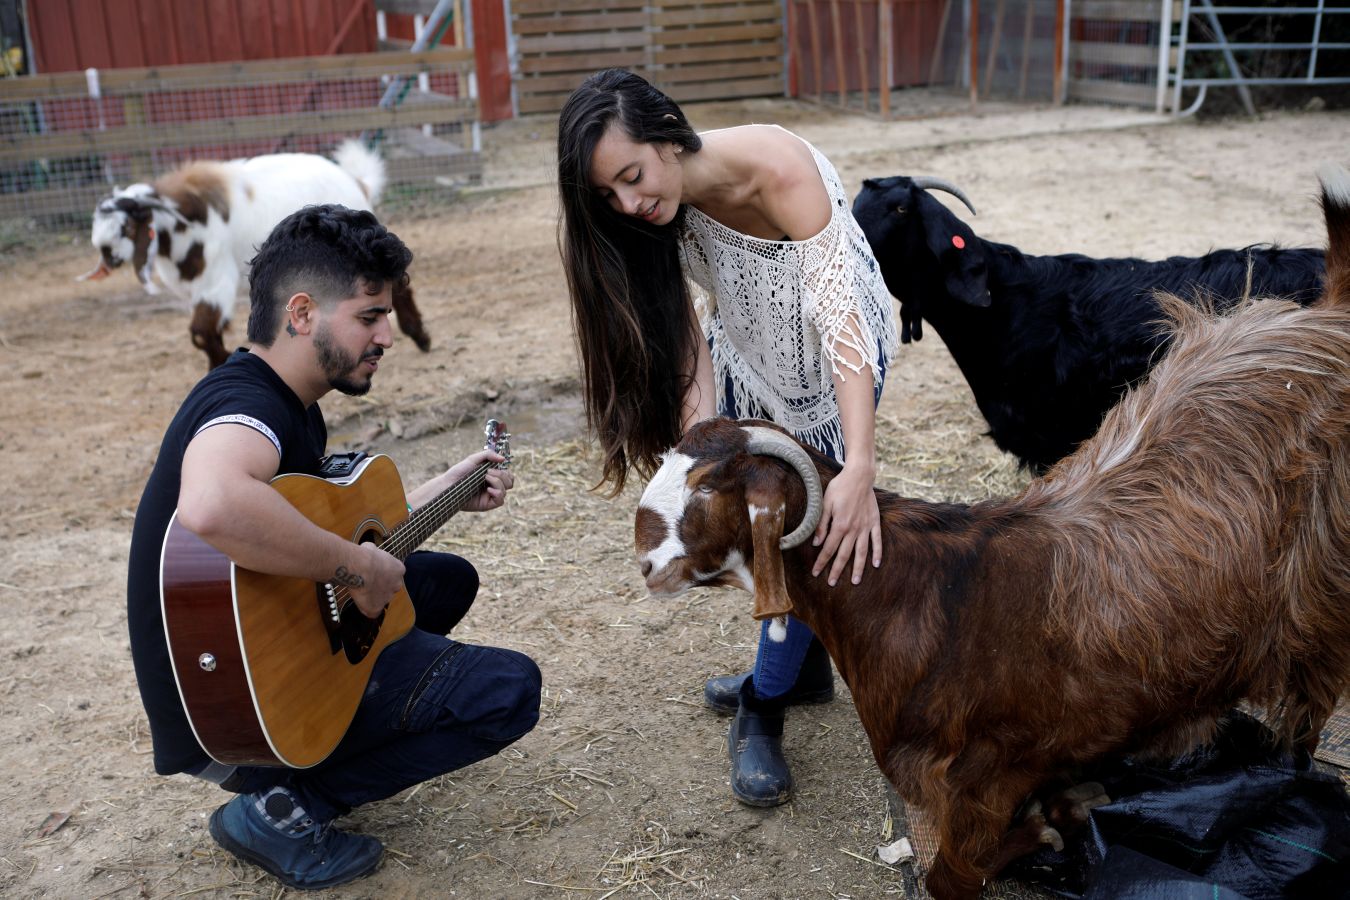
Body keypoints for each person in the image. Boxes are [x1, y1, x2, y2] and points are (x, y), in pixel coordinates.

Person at [125, 204, 541, 890]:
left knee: (444, 581)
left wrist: (450, 490)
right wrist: (356, 565)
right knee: (508, 691)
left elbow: (330, 520)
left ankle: (325, 724)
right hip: (235, 709)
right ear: (302, 313)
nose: (387, 335)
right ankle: (288, 806)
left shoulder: (292, 404)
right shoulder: (247, 405)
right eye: (370, 315)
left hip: (253, 672)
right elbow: (213, 502)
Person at [556, 70, 896, 807]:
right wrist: (700, 454)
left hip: (836, 358)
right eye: (607, 194)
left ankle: (760, 707)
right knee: (754, 514)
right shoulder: (653, 214)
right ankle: (797, 676)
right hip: (747, 345)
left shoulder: (781, 172)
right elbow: (687, 349)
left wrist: (859, 465)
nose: (628, 203)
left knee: (802, 530)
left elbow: (842, 326)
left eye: (631, 176)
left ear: (667, 134)